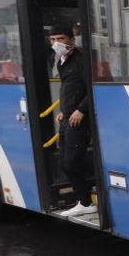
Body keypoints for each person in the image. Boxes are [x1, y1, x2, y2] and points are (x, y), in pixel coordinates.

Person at [50, 25, 97, 218]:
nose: (56, 43)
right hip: (68, 117)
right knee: (64, 162)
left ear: (72, 39)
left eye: (60, 38)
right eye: (53, 39)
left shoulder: (81, 60)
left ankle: (86, 202)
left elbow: (92, 88)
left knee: (71, 162)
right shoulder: (62, 61)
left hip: (79, 119)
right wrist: (64, 111)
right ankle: (84, 199)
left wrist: (81, 110)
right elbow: (70, 89)